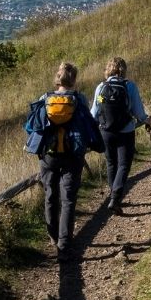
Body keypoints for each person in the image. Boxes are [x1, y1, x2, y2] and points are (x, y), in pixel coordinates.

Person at [35, 62, 96, 261]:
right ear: (74, 79)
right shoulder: (79, 99)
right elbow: (89, 123)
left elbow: (33, 126)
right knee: (68, 199)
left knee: (50, 196)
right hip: (73, 154)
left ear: (58, 78)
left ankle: (53, 235)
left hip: (49, 155)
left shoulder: (45, 98)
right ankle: (64, 245)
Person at [91, 57, 151, 215]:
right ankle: (115, 198)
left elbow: (95, 111)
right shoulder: (129, 86)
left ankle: (113, 197)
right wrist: (145, 120)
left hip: (106, 132)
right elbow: (138, 110)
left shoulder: (101, 87)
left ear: (108, 70)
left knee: (111, 163)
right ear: (123, 70)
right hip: (125, 130)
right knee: (124, 165)